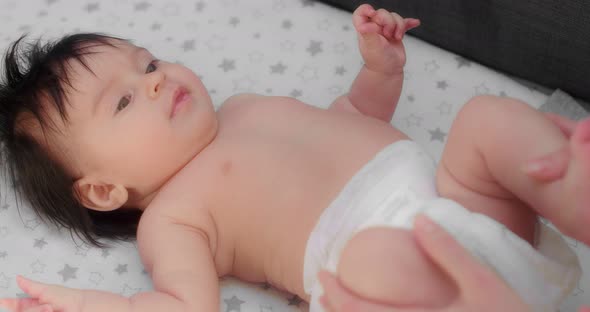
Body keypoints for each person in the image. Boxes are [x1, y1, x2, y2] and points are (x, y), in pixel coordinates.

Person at [0, 3, 585, 312]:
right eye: (124, 100)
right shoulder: (173, 219)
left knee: (487, 119)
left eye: (149, 63)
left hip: (464, 207)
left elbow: (354, 118)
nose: (155, 81)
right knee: (371, 262)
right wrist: (85, 303)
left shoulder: (245, 107)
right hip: (399, 277)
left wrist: (380, 70)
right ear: (103, 190)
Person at [317, 114, 590, 312]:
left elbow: (359, 109)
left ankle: (572, 196)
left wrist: (378, 70)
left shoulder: (314, 112)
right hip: (364, 259)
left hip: (458, 209)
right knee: (373, 258)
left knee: (483, 123)